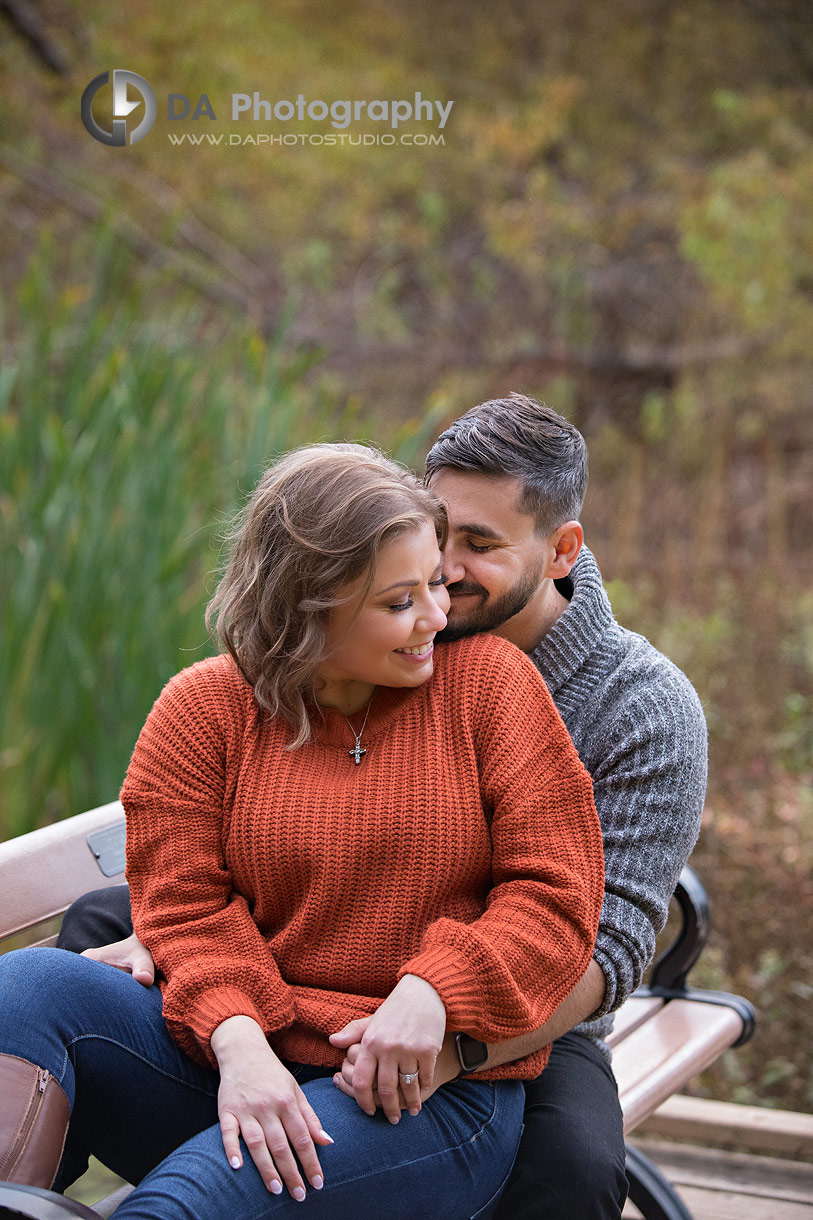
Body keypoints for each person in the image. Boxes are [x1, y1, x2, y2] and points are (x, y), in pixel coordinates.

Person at [56, 393, 708, 1219]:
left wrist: (450, 1044)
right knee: (95, 937)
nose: (444, 580)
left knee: (569, 1168)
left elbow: (598, 943)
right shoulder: (368, 647)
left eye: (479, 545)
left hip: (524, 1012)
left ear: (560, 551)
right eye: (436, 539)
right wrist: (181, 946)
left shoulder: (639, 706)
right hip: (298, 948)